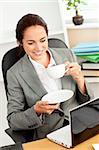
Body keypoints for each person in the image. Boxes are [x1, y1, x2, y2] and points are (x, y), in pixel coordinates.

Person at [6, 14, 93, 143]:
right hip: (50, 135)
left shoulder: (67, 55)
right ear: (20, 42)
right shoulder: (15, 73)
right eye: (31, 43)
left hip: (81, 126)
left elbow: (88, 101)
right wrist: (36, 110)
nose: (39, 48)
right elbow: (13, 120)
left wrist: (80, 79)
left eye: (43, 40)